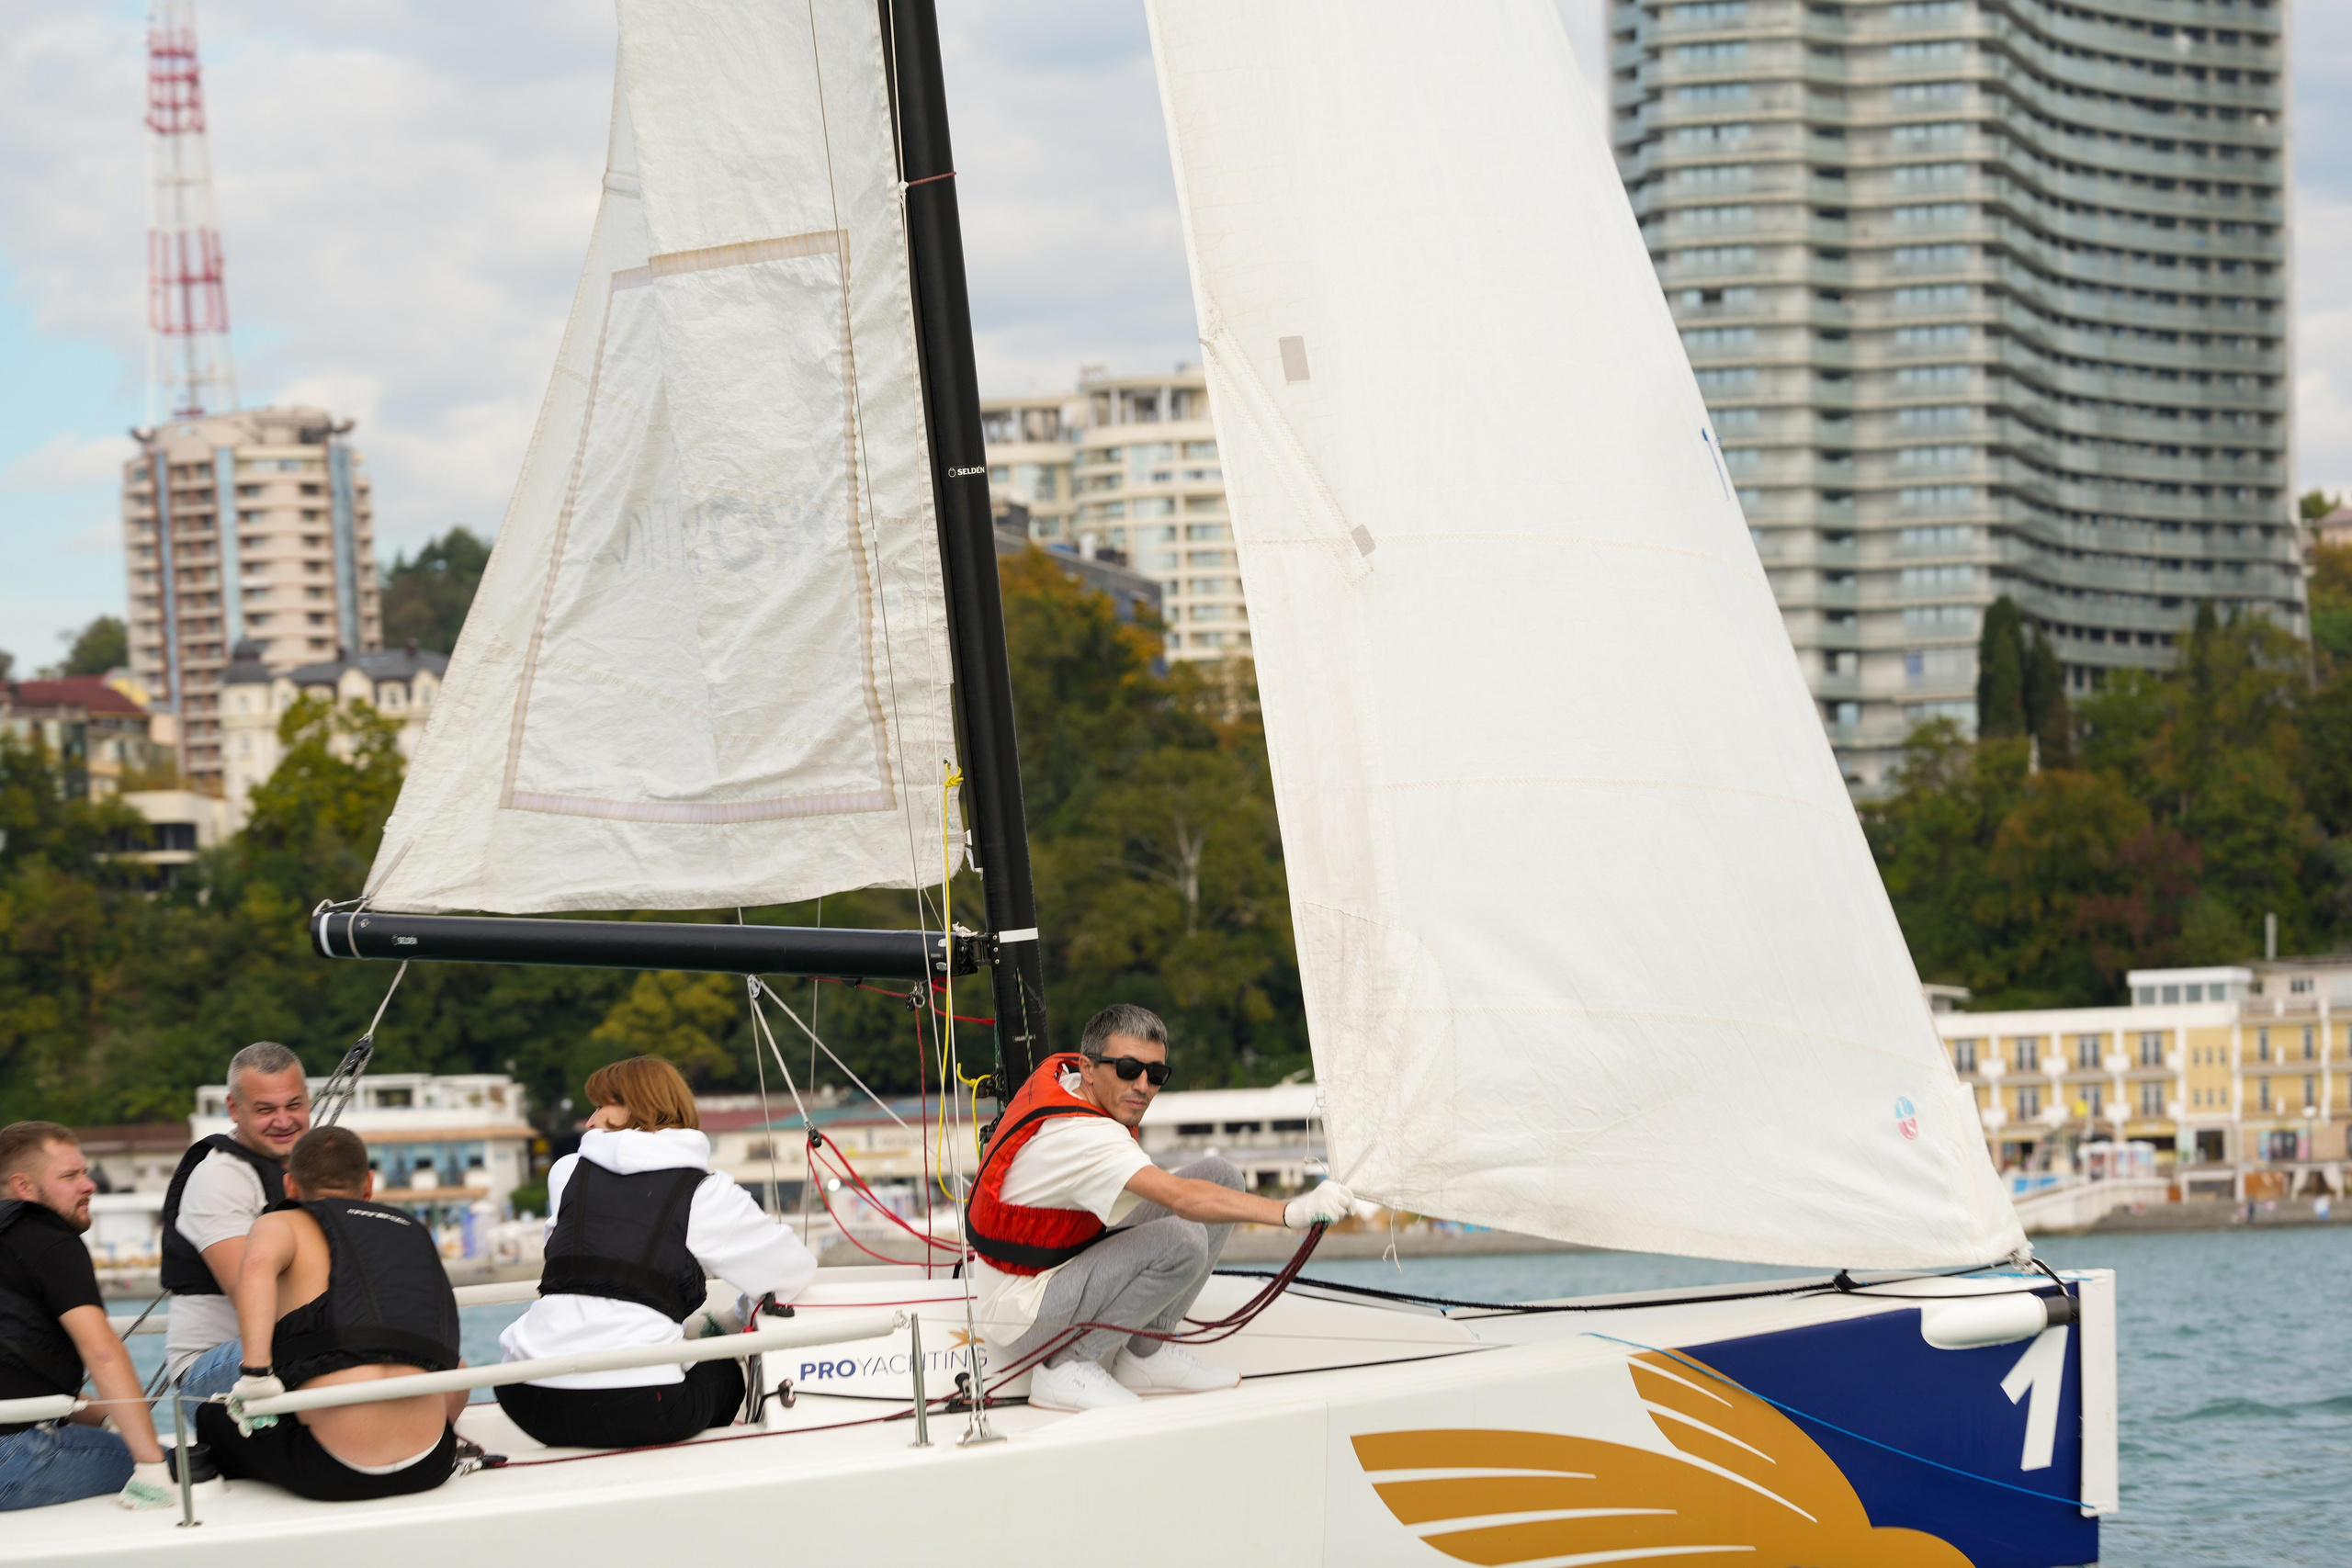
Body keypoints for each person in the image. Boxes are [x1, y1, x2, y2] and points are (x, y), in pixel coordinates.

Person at [967, 1004, 1358, 1413]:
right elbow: (1182, 1199)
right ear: (1088, 1065)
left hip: (1054, 1266)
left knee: (1220, 1174)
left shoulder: (1066, 1083)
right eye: (1128, 1068)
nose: (1142, 1085)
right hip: (1022, 1313)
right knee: (1182, 1239)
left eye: (1156, 1074)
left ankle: (1145, 1355)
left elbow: (1195, 1189)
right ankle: (1067, 1366)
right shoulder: (1083, 1136)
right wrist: (1290, 1212)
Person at [494, 1056, 816, 1450]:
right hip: (637, 1405)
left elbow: (569, 1265)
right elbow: (791, 1272)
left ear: (636, 1106)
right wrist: (734, 1315)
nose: (590, 1121)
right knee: (727, 1371)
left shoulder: (567, 1173)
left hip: (525, 1397)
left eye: (600, 1106)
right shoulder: (705, 1191)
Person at [194, 1127, 469, 1502]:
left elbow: (255, 1267)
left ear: (290, 1186)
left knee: (212, 1419)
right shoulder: (411, 1229)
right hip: (432, 1462)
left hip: (334, 1471)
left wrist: (256, 1376)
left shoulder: (281, 1223)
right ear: (368, 1184)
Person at [0, 1122, 174, 1511]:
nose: (89, 1184)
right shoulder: (50, 1240)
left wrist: (111, 1418)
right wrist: (151, 1467)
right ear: (24, 1187)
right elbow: (103, 1352)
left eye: (84, 1172)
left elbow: (21, 1372)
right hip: (11, 1459)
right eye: (70, 1176)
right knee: (187, 1465)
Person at [159, 1042, 311, 1401]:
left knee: (438, 1357)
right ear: (233, 1108)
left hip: (294, 1341)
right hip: (210, 1370)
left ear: (308, 1099)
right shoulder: (219, 1178)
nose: (284, 1121)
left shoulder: (313, 1170)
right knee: (341, 1350)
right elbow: (250, 1295)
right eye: (265, 1110)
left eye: (294, 1105)